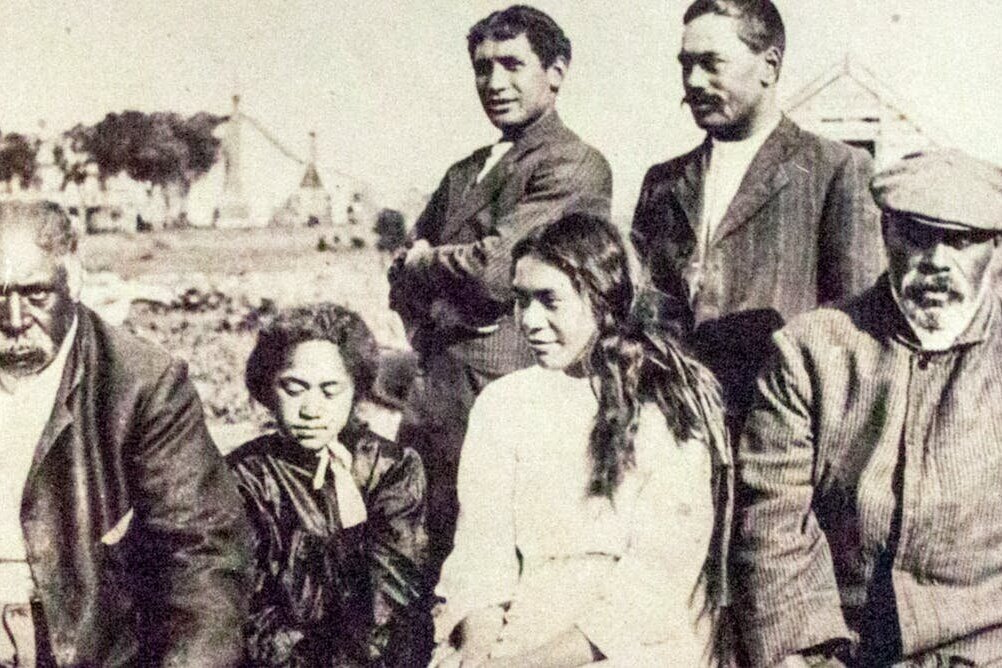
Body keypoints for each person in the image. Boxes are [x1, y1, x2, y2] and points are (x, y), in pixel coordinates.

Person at [732, 149, 1002, 666]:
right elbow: (772, 523)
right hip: (843, 651)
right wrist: (800, 655)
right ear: (884, 233)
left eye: (961, 240)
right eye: (916, 236)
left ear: (995, 247)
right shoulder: (809, 351)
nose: (936, 261)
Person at [430, 213, 732, 667]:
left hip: (629, 644)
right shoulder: (503, 403)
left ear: (601, 298)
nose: (530, 320)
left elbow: (655, 581)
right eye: (521, 300)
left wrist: (522, 666)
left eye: (549, 300)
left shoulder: (665, 405)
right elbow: (482, 551)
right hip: (523, 625)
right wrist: (478, 653)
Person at [388, 4, 613, 586]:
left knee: (502, 564)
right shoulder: (465, 172)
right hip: (434, 400)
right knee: (415, 561)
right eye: (482, 68)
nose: (494, 82)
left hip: (511, 392)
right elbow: (398, 275)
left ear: (556, 72)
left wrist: (427, 263)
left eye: (512, 65)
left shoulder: (574, 164)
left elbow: (497, 271)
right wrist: (433, 301)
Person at [0, 199, 252, 665]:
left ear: (74, 279)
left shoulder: (143, 384)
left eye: (36, 295)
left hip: (87, 647)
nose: (14, 321)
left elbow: (202, 556)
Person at [631, 0, 883, 420]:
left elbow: (858, 332)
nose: (694, 81)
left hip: (778, 426)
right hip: (673, 421)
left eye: (711, 63)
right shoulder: (663, 182)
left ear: (769, 65)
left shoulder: (835, 169)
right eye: (686, 65)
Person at [228, 303, 429, 667]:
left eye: (330, 390)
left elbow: (394, 597)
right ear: (269, 388)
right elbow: (247, 609)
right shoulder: (245, 477)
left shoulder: (391, 468)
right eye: (294, 389)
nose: (311, 409)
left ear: (355, 392)